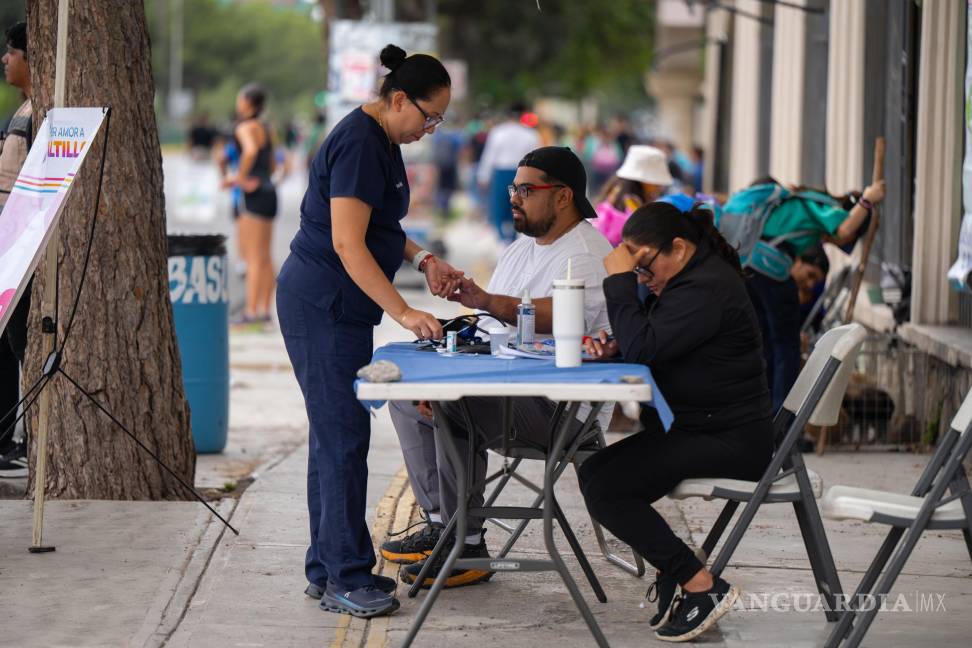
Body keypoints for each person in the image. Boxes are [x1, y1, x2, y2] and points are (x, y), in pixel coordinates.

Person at [276, 44, 459, 619]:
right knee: (344, 439)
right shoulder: (359, 141)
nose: (430, 130)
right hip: (323, 302)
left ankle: (325, 564)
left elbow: (381, 224)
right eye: (428, 117)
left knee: (334, 436)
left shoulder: (382, 139)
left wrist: (423, 256)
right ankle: (345, 578)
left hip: (342, 307)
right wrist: (406, 313)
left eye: (439, 123)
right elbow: (348, 243)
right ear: (398, 98)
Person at [380, 147, 614, 590]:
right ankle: (441, 524)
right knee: (407, 390)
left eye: (526, 189)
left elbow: (561, 316)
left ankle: (466, 545)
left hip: (561, 410)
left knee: (453, 403)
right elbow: (493, 326)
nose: (514, 198)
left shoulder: (585, 253)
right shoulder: (521, 247)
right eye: (513, 188)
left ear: (563, 197)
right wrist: (466, 321)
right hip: (512, 390)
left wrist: (487, 302)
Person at [578, 201, 774, 642]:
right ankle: (676, 570)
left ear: (679, 249)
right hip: (703, 427)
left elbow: (647, 347)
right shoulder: (692, 280)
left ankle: (700, 584)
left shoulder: (704, 288)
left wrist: (618, 283)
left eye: (644, 265)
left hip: (732, 440)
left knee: (609, 490)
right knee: (594, 472)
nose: (642, 279)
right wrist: (618, 347)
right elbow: (655, 341)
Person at [741, 179, 885, 410]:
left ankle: (762, 414)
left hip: (749, 268)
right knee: (788, 347)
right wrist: (868, 200)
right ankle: (781, 423)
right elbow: (844, 230)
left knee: (766, 342)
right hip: (771, 268)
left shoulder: (803, 203)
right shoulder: (825, 207)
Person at [0, 21, 32, 478]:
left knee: (14, 345)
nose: (5, 59)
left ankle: (10, 439)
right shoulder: (23, 111)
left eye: (10, 51)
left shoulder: (37, 112)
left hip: (21, 250)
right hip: (10, 247)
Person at [222, 83, 277, 326]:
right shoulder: (267, 127)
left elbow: (251, 151)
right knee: (265, 256)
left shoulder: (245, 127)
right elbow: (274, 164)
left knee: (253, 257)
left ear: (246, 102)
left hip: (253, 196)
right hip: (269, 192)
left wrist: (239, 178)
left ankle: (251, 312)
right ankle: (264, 309)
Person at [476, 103, 539, 242]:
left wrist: (483, 176)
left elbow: (489, 156)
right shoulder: (530, 134)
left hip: (502, 174)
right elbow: (534, 157)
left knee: (500, 207)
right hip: (521, 175)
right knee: (519, 205)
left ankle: (503, 239)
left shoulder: (498, 132)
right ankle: (513, 237)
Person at [592, 145, 673, 246]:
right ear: (644, 180)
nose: (660, 187)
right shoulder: (632, 201)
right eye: (656, 183)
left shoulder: (617, 190)